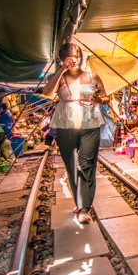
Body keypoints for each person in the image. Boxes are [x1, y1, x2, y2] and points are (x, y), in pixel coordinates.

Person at [42, 43, 108, 224]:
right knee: (72, 166)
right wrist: (62, 70)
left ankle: (84, 208)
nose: (75, 59)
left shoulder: (92, 76)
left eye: (77, 55)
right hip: (65, 126)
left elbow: (106, 96)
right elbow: (47, 92)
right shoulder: (60, 78)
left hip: (90, 124)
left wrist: (100, 99)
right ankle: (79, 201)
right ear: (62, 59)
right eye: (70, 57)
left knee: (86, 165)